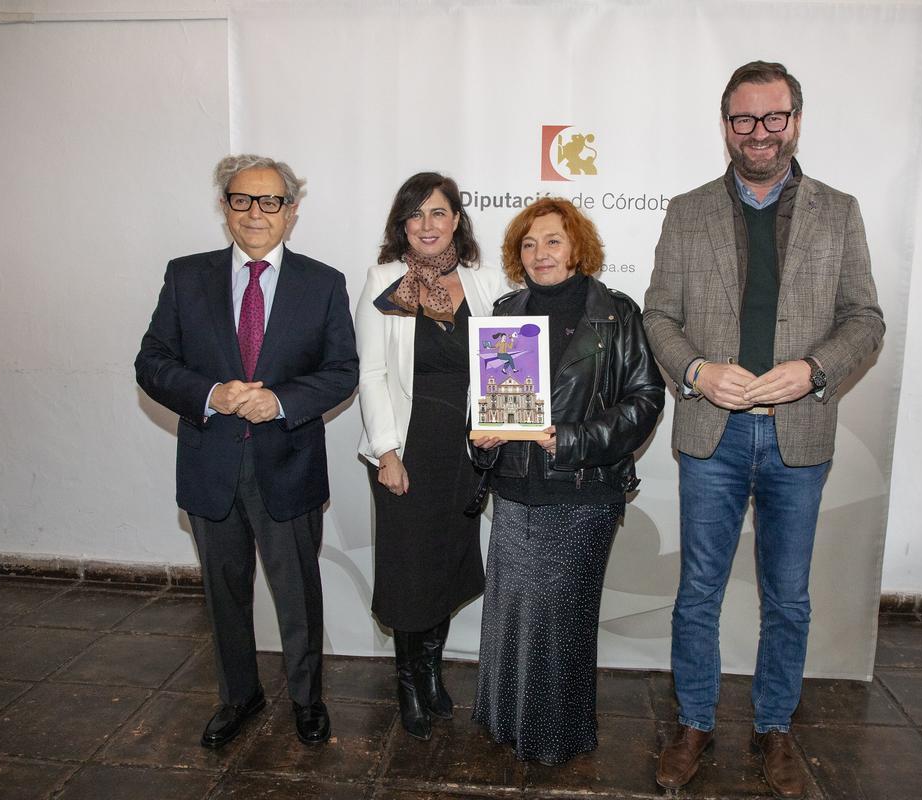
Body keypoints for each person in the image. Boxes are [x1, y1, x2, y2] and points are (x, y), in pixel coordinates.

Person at [643, 61, 885, 797]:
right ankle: (694, 722)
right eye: (744, 119)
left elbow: (865, 320)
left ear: (796, 122)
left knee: (788, 596)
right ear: (726, 126)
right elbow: (658, 317)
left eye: (773, 118)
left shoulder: (838, 211)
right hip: (711, 432)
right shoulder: (687, 212)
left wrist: (814, 369)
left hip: (799, 435)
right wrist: (696, 374)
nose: (759, 133)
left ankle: (775, 727)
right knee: (699, 590)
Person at [135, 154, 357, 749]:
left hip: (287, 466)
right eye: (241, 200)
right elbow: (152, 363)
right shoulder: (186, 277)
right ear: (225, 207)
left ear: (291, 211)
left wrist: (280, 401)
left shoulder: (323, 282)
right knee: (223, 592)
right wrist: (212, 393)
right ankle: (240, 696)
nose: (255, 213)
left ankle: (308, 700)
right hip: (212, 466)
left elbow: (342, 373)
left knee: (297, 594)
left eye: (270, 201)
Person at [472, 197, 664, 765]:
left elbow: (645, 401)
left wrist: (567, 438)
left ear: (576, 246)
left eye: (552, 241)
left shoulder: (616, 313)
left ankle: (557, 737)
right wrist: (479, 433)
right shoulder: (506, 311)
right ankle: (507, 724)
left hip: (583, 490)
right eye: (529, 244)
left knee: (562, 621)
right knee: (510, 613)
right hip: (516, 487)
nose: (540, 254)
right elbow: (487, 400)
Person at [355, 172, 511, 741]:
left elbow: (507, 362)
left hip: (464, 447)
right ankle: (407, 682)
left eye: (438, 213)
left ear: (456, 221)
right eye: (415, 215)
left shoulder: (487, 282)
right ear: (403, 225)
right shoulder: (383, 281)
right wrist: (386, 453)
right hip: (406, 446)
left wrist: (500, 427)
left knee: (448, 559)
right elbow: (371, 374)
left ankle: (431, 670)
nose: (427, 225)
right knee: (408, 565)